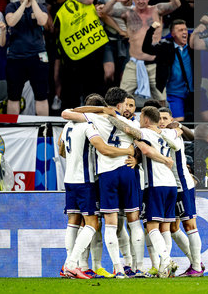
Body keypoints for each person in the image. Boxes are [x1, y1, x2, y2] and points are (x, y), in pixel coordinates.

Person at [61, 87, 173, 278]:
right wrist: (134, 155)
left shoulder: (95, 119)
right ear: (120, 104)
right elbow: (141, 143)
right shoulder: (128, 122)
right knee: (134, 221)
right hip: (128, 172)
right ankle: (138, 267)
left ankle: (118, 269)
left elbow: (66, 114)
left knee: (110, 225)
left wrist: (97, 111)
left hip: (105, 174)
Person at [58, 96, 135, 279]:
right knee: (93, 223)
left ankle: (75, 265)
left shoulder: (67, 125)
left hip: (69, 179)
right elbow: (105, 149)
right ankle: (71, 264)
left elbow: (61, 151)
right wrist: (128, 151)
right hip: (85, 180)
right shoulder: (88, 126)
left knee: (73, 223)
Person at [103, 0, 180, 104]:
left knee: (161, 100)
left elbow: (176, 4)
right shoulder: (127, 13)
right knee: (120, 99)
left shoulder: (157, 9)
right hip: (134, 64)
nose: (141, 1)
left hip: (155, 64)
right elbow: (105, 11)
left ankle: (161, 121)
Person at [158, 108, 203, 277]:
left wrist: (179, 126)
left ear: (171, 119)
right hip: (168, 186)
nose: (162, 121)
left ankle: (197, 267)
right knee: (173, 227)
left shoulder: (173, 133)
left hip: (182, 185)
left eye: (165, 118)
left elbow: (192, 137)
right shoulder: (158, 134)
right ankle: (196, 261)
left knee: (189, 225)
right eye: (159, 118)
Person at [136, 106, 179, 278]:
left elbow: (145, 150)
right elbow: (176, 141)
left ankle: (167, 260)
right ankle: (164, 269)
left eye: (140, 118)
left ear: (146, 120)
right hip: (171, 184)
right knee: (165, 227)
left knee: (151, 226)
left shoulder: (144, 133)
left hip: (155, 184)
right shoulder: (166, 134)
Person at [5, 0, 50, 116]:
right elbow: (11, 22)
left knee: (41, 95)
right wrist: (24, 4)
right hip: (15, 57)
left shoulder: (41, 7)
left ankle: (44, 128)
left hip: (37, 57)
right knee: (13, 96)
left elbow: (42, 21)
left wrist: (32, 1)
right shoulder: (11, 6)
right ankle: (12, 127)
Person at [142, 19, 193, 121]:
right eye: (180, 30)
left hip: (194, 92)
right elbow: (146, 48)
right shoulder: (165, 45)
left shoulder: (193, 45)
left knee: (207, 118)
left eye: (185, 29)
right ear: (173, 34)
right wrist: (151, 29)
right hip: (174, 93)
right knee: (179, 122)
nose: (184, 32)